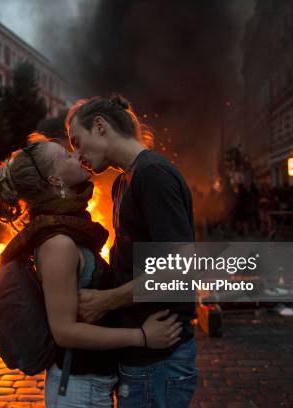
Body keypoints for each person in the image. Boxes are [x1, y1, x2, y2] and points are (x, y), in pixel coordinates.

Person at [0, 135, 182, 407]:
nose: (75, 155)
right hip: (77, 390)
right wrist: (142, 337)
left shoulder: (69, 231)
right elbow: (64, 332)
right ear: (55, 180)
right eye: (65, 156)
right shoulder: (58, 244)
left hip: (91, 386)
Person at [66, 95, 197, 407]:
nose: (77, 154)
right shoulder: (123, 181)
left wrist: (107, 300)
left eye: (76, 141)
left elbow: (181, 265)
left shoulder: (153, 174)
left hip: (159, 358)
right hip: (143, 354)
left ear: (100, 126)